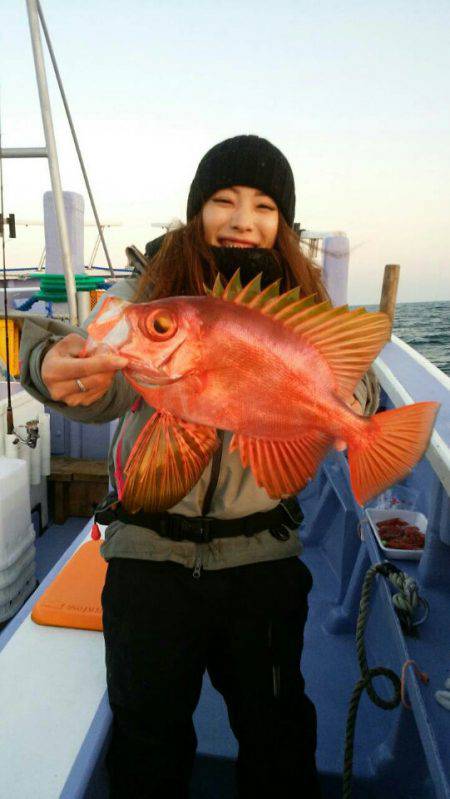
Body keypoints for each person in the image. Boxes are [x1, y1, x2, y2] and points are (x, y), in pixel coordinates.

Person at [20, 134, 380, 798]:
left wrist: (349, 404)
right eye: (223, 199)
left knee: (278, 736)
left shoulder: (306, 307)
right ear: (196, 210)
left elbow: (353, 378)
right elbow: (86, 349)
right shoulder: (149, 294)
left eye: (265, 205)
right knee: (148, 736)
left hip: (261, 558)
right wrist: (50, 364)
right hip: (148, 558)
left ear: (283, 223)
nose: (244, 219)